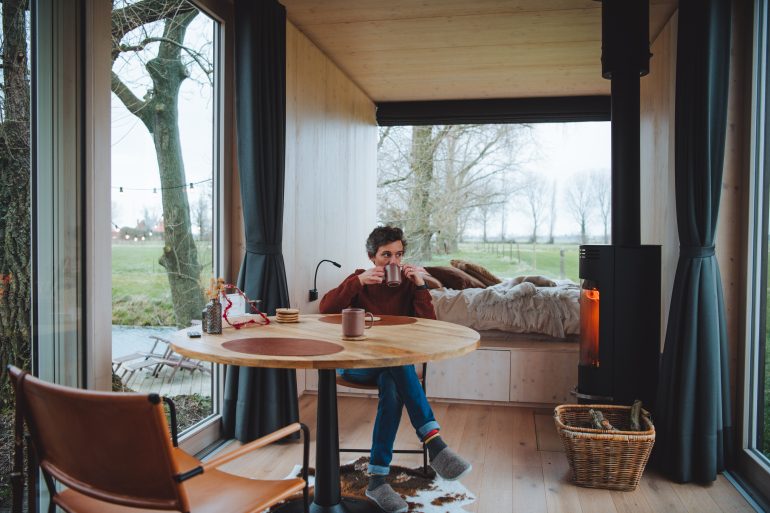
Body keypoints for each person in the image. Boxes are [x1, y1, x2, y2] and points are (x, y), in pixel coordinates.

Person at [319, 226, 471, 513]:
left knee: (393, 377)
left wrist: (420, 285)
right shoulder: (358, 281)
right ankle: (433, 441)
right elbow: (325, 308)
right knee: (398, 366)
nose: (393, 262)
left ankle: (377, 480)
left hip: (393, 366)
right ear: (371, 257)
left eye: (398, 255)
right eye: (385, 255)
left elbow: (430, 326)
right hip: (357, 366)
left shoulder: (408, 283)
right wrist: (358, 283)